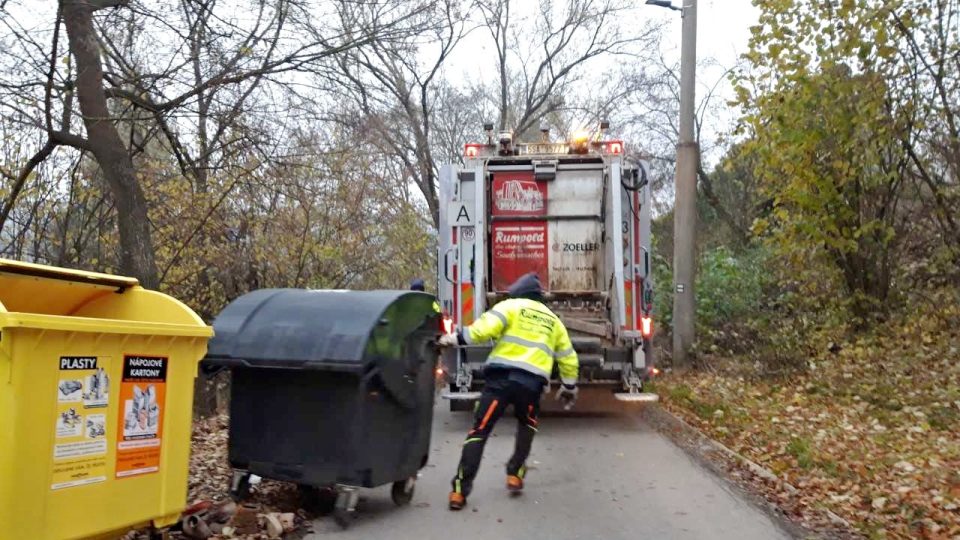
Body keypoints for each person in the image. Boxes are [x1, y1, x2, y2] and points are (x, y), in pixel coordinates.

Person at [437, 272, 579, 510]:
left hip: (500, 382)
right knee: (527, 425)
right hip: (531, 386)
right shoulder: (553, 320)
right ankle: (515, 473)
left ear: (519, 291)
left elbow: (482, 330)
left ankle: (459, 492)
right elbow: (568, 356)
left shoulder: (511, 306)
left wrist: (454, 338)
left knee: (479, 431)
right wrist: (569, 386)